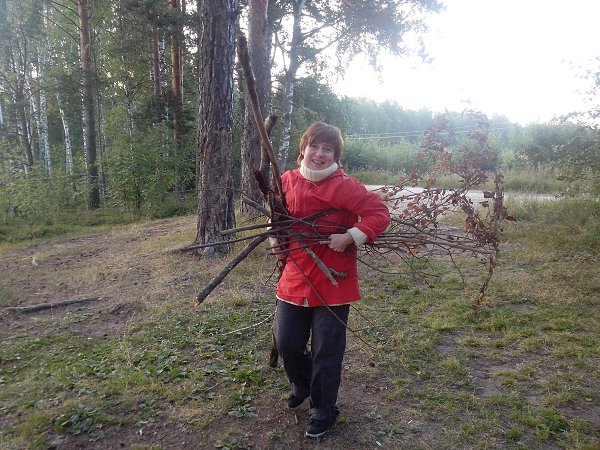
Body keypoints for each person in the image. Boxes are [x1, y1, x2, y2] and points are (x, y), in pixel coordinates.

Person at [270, 122, 391, 438]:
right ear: (303, 149)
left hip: (334, 281)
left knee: (327, 349)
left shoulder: (345, 186)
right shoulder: (287, 181)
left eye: (328, 149)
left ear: (336, 155)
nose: (320, 154)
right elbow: (275, 215)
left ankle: (323, 409)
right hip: (295, 276)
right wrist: (274, 236)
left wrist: (350, 236)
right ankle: (303, 383)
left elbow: (379, 214)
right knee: (287, 342)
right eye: (315, 146)